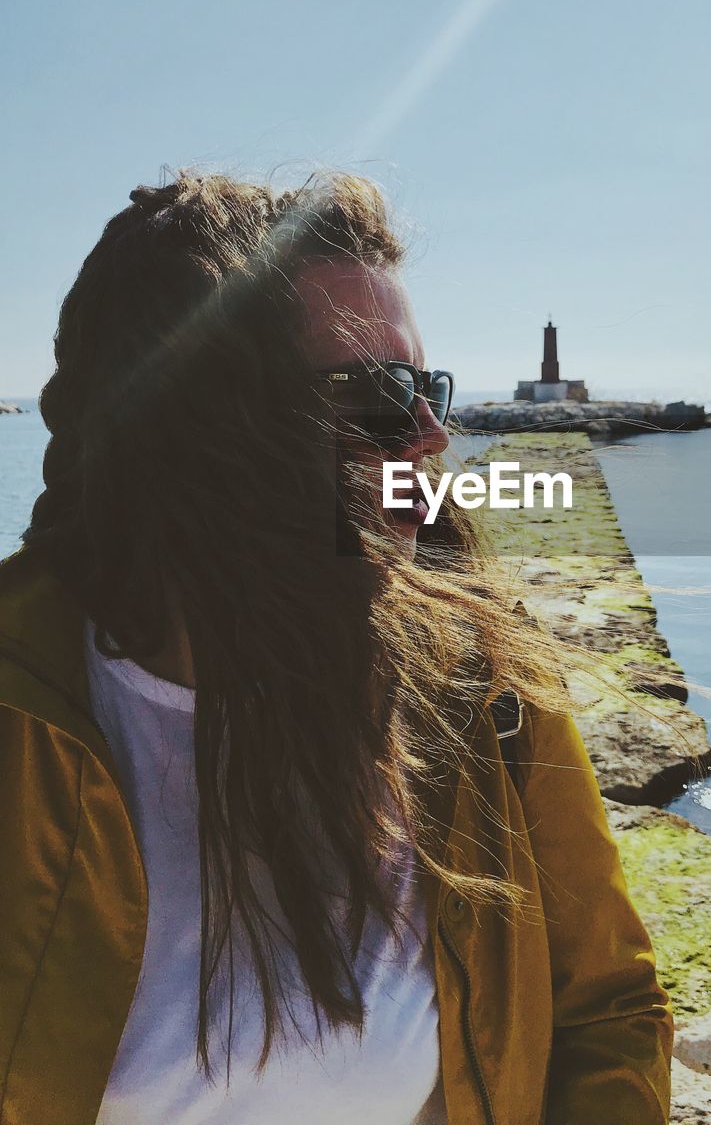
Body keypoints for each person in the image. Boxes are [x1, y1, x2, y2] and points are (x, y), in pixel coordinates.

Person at [0, 171, 673, 1125]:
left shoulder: (481, 686)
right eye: (379, 396)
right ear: (191, 424)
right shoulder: (23, 721)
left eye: (429, 389)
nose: (434, 438)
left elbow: (606, 1008)